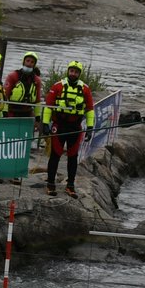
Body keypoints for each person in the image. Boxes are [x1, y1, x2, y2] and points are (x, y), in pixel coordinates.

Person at [42, 59, 94, 198]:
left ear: (79, 74)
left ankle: (70, 185)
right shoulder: (58, 86)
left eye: (76, 72)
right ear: (68, 71)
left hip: (75, 127)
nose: (73, 73)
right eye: (71, 71)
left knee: (73, 157)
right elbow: (49, 106)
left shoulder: (85, 89)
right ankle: (51, 184)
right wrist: (45, 123)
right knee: (55, 155)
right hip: (59, 126)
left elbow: (89, 109)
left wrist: (90, 127)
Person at [3, 50, 45, 148]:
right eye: (28, 61)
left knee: (25, 141)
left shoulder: (36, 80)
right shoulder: (13, 76)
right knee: (9, 139)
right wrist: (4, 113)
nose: (29, 64)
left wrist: (38, 117)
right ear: (23, 61)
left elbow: (37, 101)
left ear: (34, 64)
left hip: (27, 113)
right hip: (12, 111)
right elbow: (4, 97)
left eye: (32, 62)